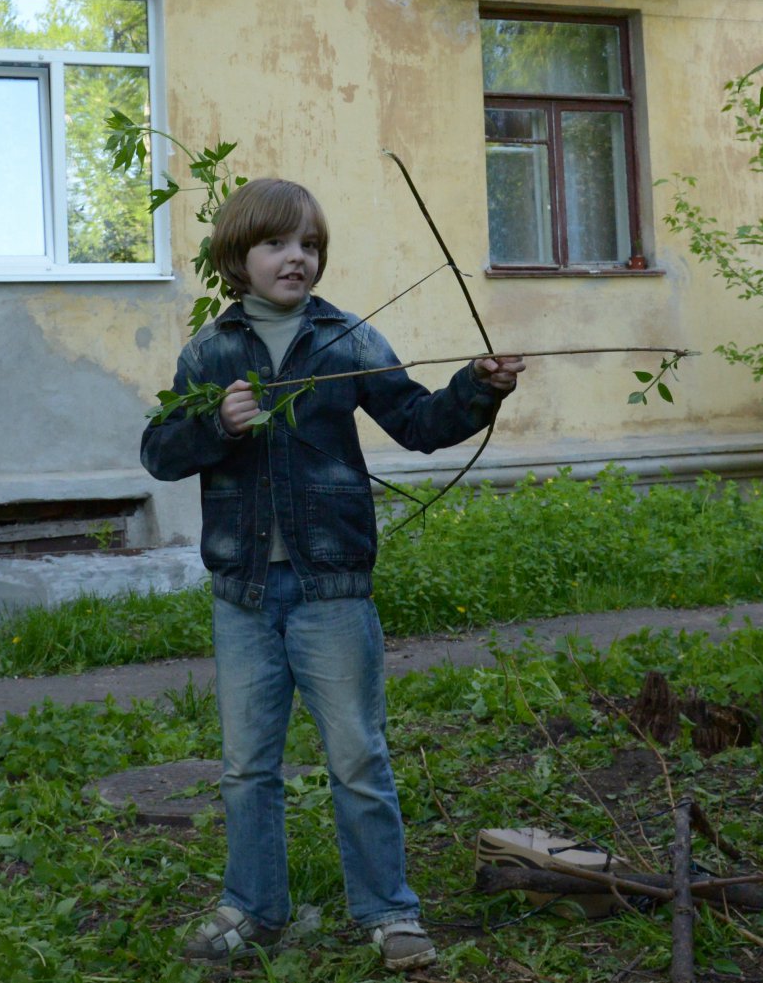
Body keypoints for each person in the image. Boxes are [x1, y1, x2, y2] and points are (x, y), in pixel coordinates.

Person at [140, 177, 524, 972]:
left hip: (333, 590)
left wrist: (476, 387)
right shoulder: (211, 353)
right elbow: (161, 452)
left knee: (357, 757)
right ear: (238, 256)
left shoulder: (346, 339)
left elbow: (417, 422)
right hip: (244, 594)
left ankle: (389, 910)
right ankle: (253, 908)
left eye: (309, 244)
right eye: (277, 243)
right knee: (247, 765)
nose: (297, 258)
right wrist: (217, 423)